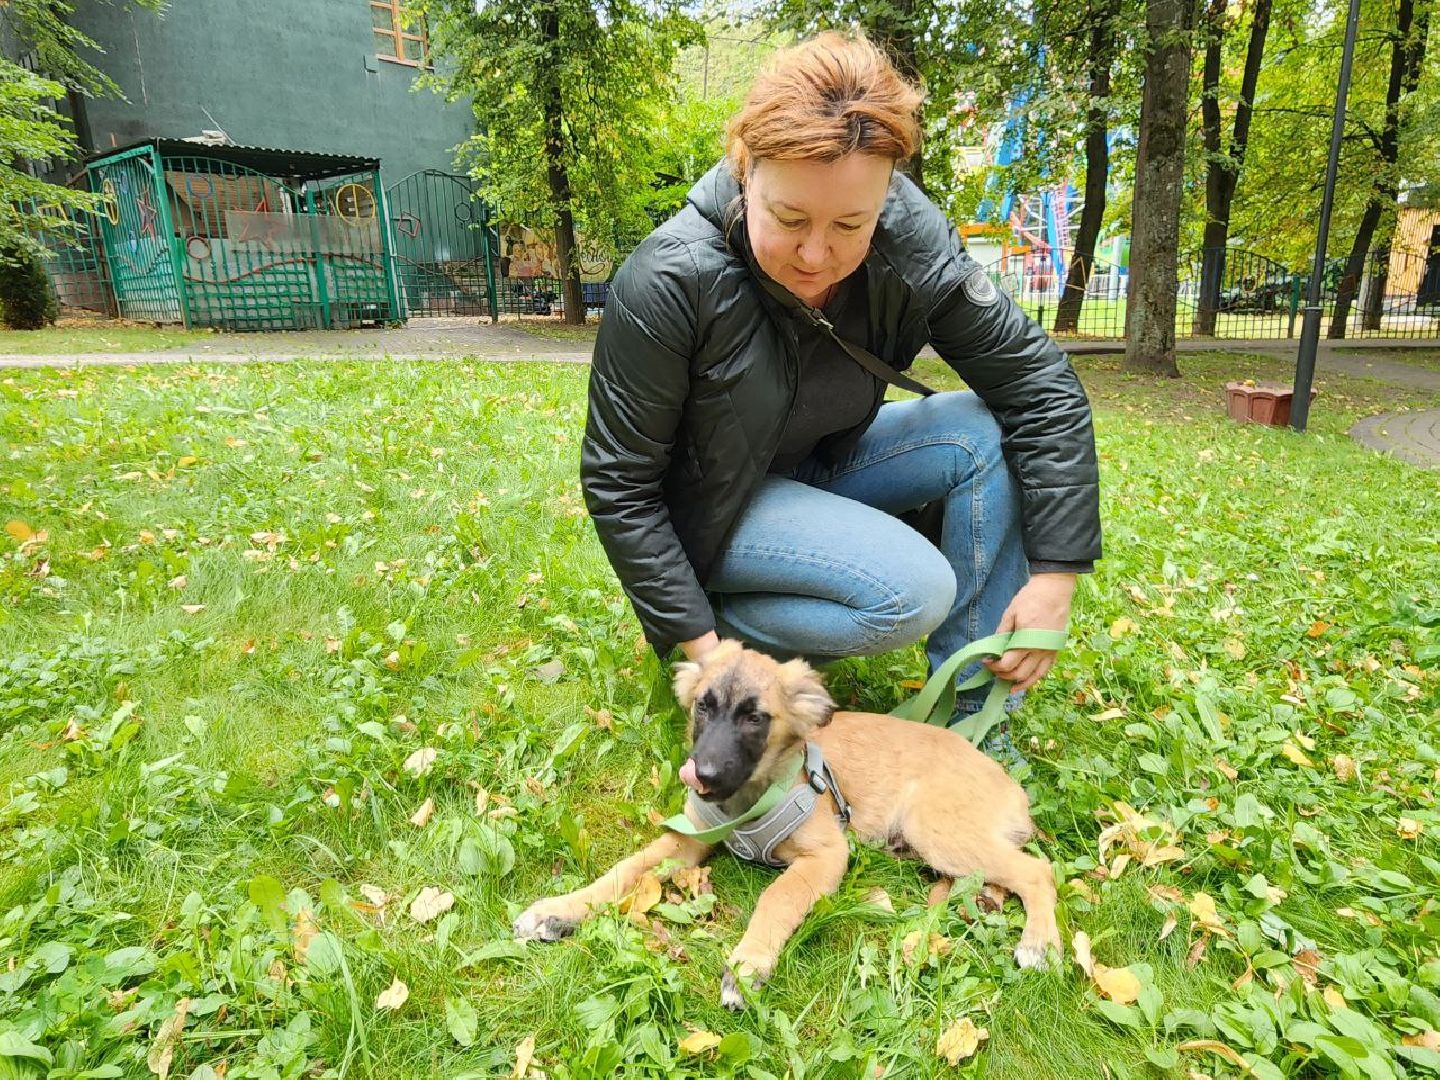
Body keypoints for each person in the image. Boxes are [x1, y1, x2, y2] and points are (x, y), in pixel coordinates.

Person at [580, 32, 1101, 752]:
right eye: (789, 219)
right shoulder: (670, 279)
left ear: (887, 194)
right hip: (708, 516)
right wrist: (706, 651)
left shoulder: (911, 242)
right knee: (912, 588)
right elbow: (619, 484)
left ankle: (974, 725)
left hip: (821, 468)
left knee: (984, 430)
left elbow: (1039, 386)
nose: (817, 254)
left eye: (850, 224)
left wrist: (1057, 572)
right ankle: (725, 621)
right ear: (744, 167)